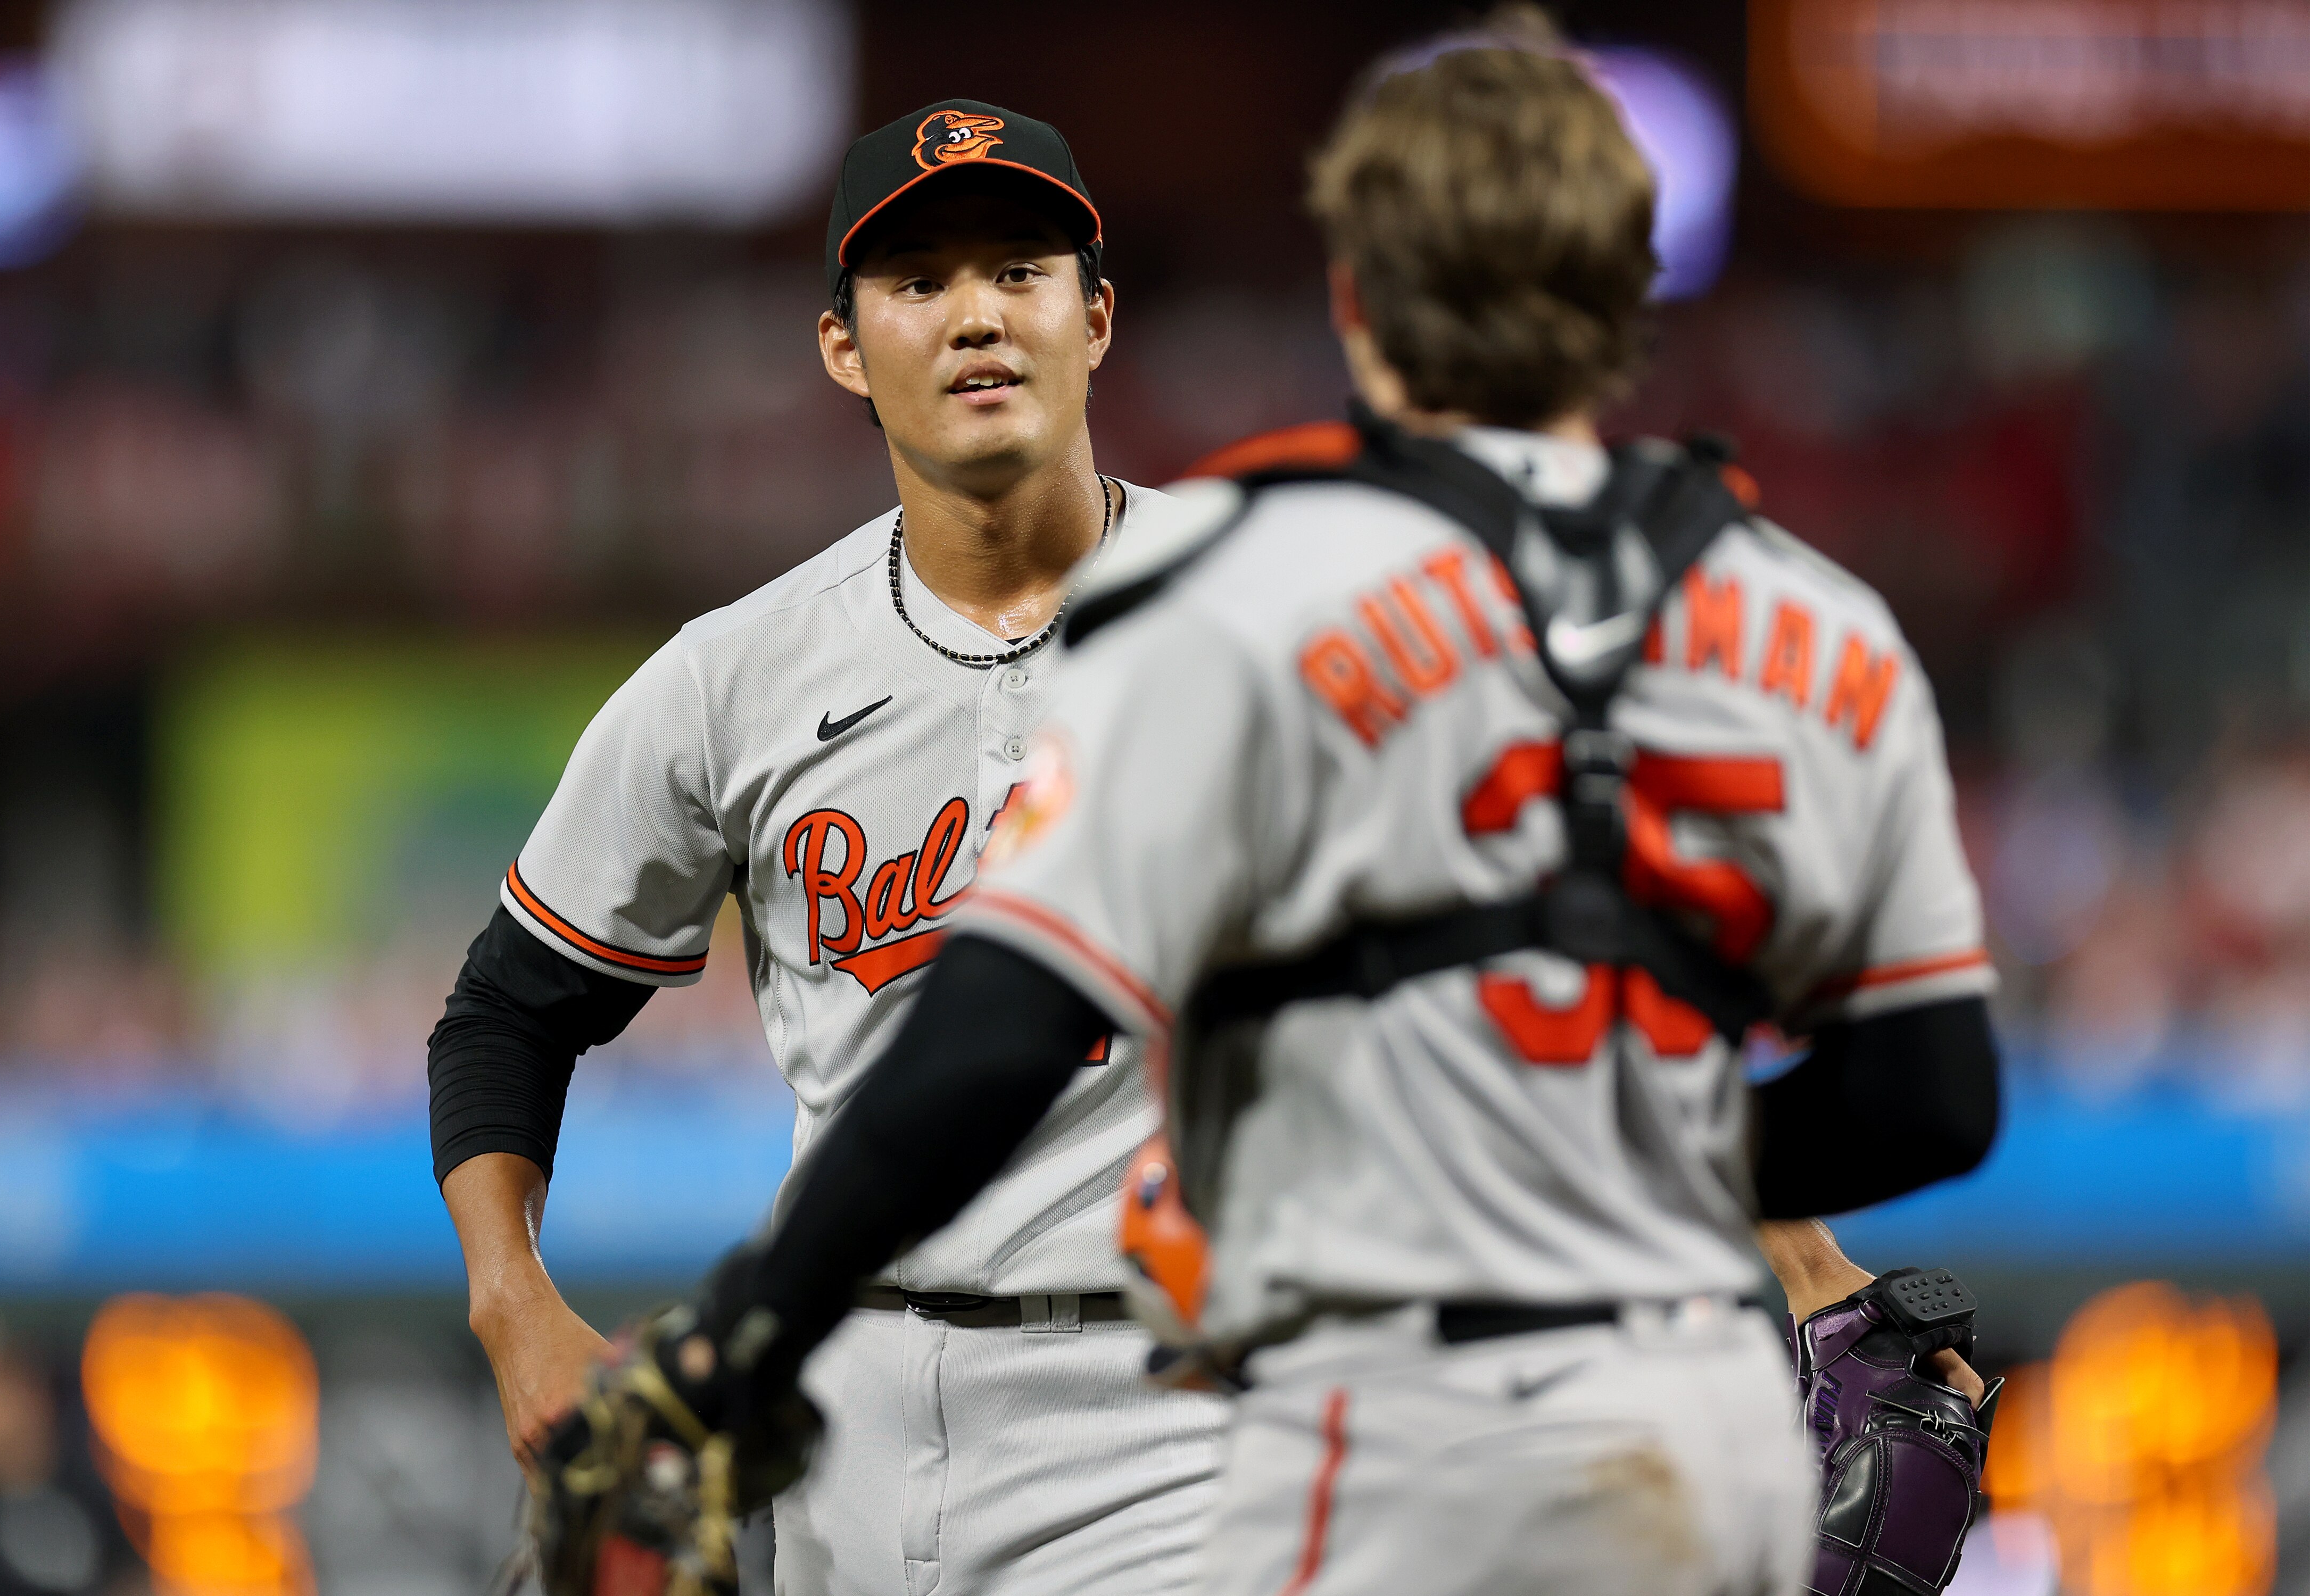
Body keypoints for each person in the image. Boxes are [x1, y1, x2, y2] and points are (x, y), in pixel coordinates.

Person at [659, 17, 2003, 1596]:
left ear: (1357, 306)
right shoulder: (1811, 619)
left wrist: (743, 1333)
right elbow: (1929, 1099)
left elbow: (992, 1033)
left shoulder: (1244, 587)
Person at [425, 101, 1227, 1596]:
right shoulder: (737, 675)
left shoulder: (1266, 621)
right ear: (844, 350)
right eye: (917, 282)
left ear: (1095, 318)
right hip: (842, 1415)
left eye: (1018, 270)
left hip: (1172, 1409)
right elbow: (505, 1013)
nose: (975, 315)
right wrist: (511, 1306)